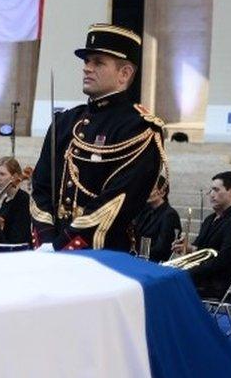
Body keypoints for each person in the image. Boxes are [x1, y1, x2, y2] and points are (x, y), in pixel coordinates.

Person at [30, 23, 168, 252]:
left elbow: (117, 201)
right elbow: (40, 187)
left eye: (98, 62)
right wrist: (45, 241)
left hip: (102, 255)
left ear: (124, 74)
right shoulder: (65, 123)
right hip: (49, 255)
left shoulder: (139, 129)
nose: (87, 68)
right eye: (86, 61)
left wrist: (60, 246)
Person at [172, 171, 231, 299]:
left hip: (220, 285)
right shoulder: (210, 219)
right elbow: (199, 248)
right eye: (211, 190)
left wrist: (186, 273)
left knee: (167, 284)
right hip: (204, 279)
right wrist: (187, 248)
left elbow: (224, 260)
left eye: (216, 190)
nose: (211, 195)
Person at [132, 175, 181, 262]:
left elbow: (162, 248)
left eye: (151, 188)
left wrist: (138, 251)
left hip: (154, 263)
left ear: (162, 193)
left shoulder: (169, 215)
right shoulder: (144, 210)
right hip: (139, 260)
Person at [0, 156, 31, 245]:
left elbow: (20, 238)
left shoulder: (22, 199)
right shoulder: (6, 199)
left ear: (14, 177)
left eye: (2, 174)